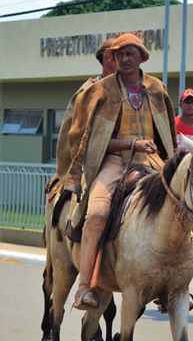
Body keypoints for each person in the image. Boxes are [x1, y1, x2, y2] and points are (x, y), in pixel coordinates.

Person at [60, 33, 177, 310]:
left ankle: (173, 282)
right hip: (113, 162)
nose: (124, 59)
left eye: (130, 54)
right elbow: (87, 140)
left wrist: (172, 161)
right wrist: (131, 143)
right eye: (119, 55)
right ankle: (86, 286)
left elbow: (167, 134)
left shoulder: (157, 88)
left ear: (141, 58)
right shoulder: (99, 91)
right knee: (98, 213)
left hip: (152, 163)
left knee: (183, 206)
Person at [55, 37, 117, 178]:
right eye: (120, 55)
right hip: (96, 159)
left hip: (136, 157)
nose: (126, 59)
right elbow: (77, 135)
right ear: (108, 58)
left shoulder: (133, 88)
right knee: (92, 197)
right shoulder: (88, 92)